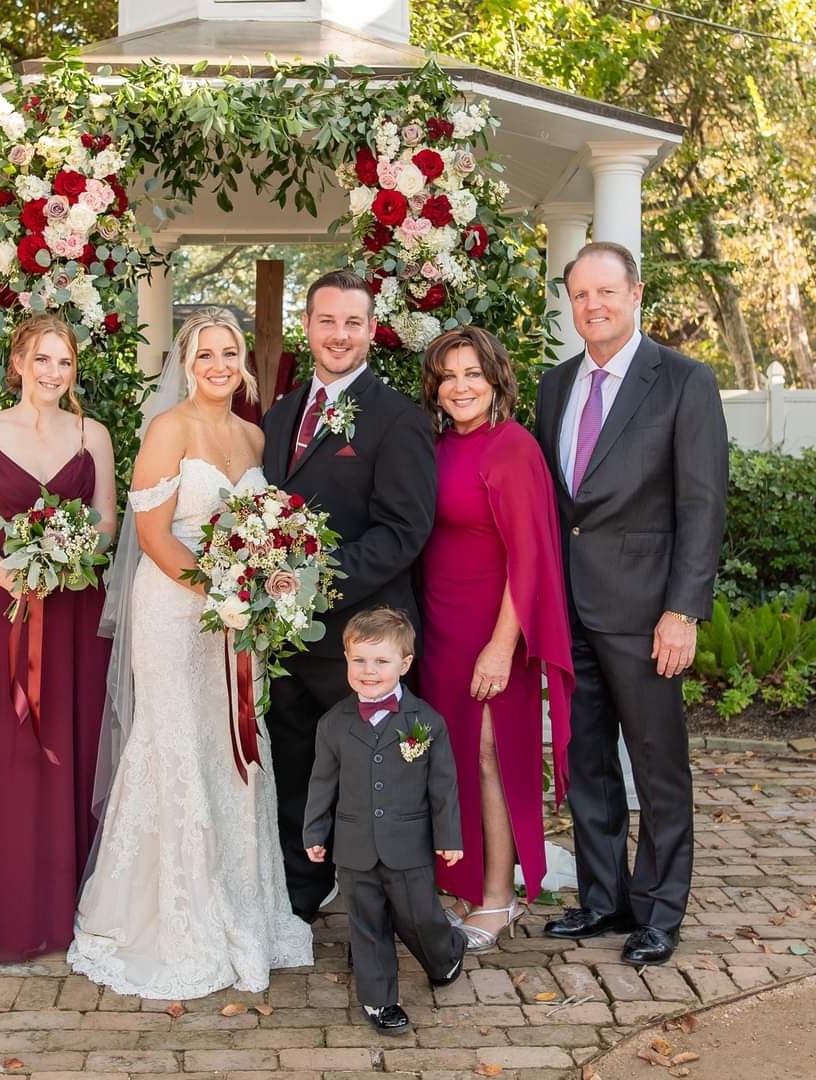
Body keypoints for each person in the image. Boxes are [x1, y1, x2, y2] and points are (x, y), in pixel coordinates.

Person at [68, 308, 313, 999]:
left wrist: (257, 592)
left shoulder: (253, 433)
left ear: (244, 361)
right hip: (178, 611)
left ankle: (244, 907)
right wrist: (222, 593)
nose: (218, 363)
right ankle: (175, 917)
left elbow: (260, 527)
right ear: (186, 360)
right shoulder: (167, 429)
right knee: (177, 741)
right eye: (205, 352)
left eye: (229, 351)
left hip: (238, 623)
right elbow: (153, 535)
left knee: (233, 746)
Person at [535, 241, 728, 966]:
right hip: (571, 611)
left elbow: (702, 504)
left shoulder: (683, 381)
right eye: (580, 295)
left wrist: (684, 610)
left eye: (606, 292)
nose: (593, 306)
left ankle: (658, 911)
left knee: (657, 767)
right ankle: (603, 901)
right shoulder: (555, 386)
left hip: (649, 615)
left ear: (636, 293)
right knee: (587, 765)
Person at [262, 270, 437, 922]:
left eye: (353, 323)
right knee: (296, 771)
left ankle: (387, 911)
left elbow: (403, 531)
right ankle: (300, 898)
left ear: (371, 330)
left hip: (363, 640)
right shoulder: (278, 418)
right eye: (327, 321)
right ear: (307, 326)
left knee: (374, 783)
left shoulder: (397, 420)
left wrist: (311, 586)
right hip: (287, 641)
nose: (339, 335)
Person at [0, 314, 117, 964]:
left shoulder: (93, 435)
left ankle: (70, 909)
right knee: (10, 751)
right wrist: (14, 574)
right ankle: (12, 911)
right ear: (19, 362)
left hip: (76, 609)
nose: (53, 373)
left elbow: (105, 519)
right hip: (3, 609)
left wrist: (71, 553)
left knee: (74, 746)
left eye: (64, 362)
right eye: (42, 360)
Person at [418, 327, 574, 952]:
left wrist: (501, 645)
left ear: (496, 381)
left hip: (491, 625)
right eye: (449, 375)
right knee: (449, 756)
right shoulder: (434, 447)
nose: (460, 386)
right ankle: (458, 883)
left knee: (490, 758)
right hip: (438, 626)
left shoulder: (511, 448)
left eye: (473, 375)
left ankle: (496, 897)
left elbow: (529, 559)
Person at [304, 608, 466, 1035]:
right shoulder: (332, 724)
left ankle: (445, 953)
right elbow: (322, 783)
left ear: (405, 664)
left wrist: (448, 837)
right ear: (346, 660)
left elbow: (443, 787)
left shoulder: (426, 722)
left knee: (420, 917)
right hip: (355, 846)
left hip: (409, 844)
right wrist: (315, 831)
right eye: (359, 660)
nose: (369, 671)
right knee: (367, 924)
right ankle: (380, 1001)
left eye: (381, 661)